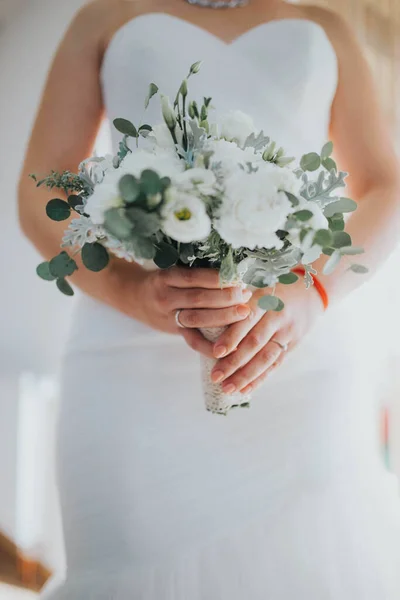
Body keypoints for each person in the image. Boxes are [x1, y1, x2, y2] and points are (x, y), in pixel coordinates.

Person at [18, 0, 400, 598]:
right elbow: (42, 189)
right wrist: (130, 288)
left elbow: (385, 183)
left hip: (293, 351)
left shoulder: (325, 26)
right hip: (125, 358)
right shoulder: (103, 17)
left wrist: (312, 294)